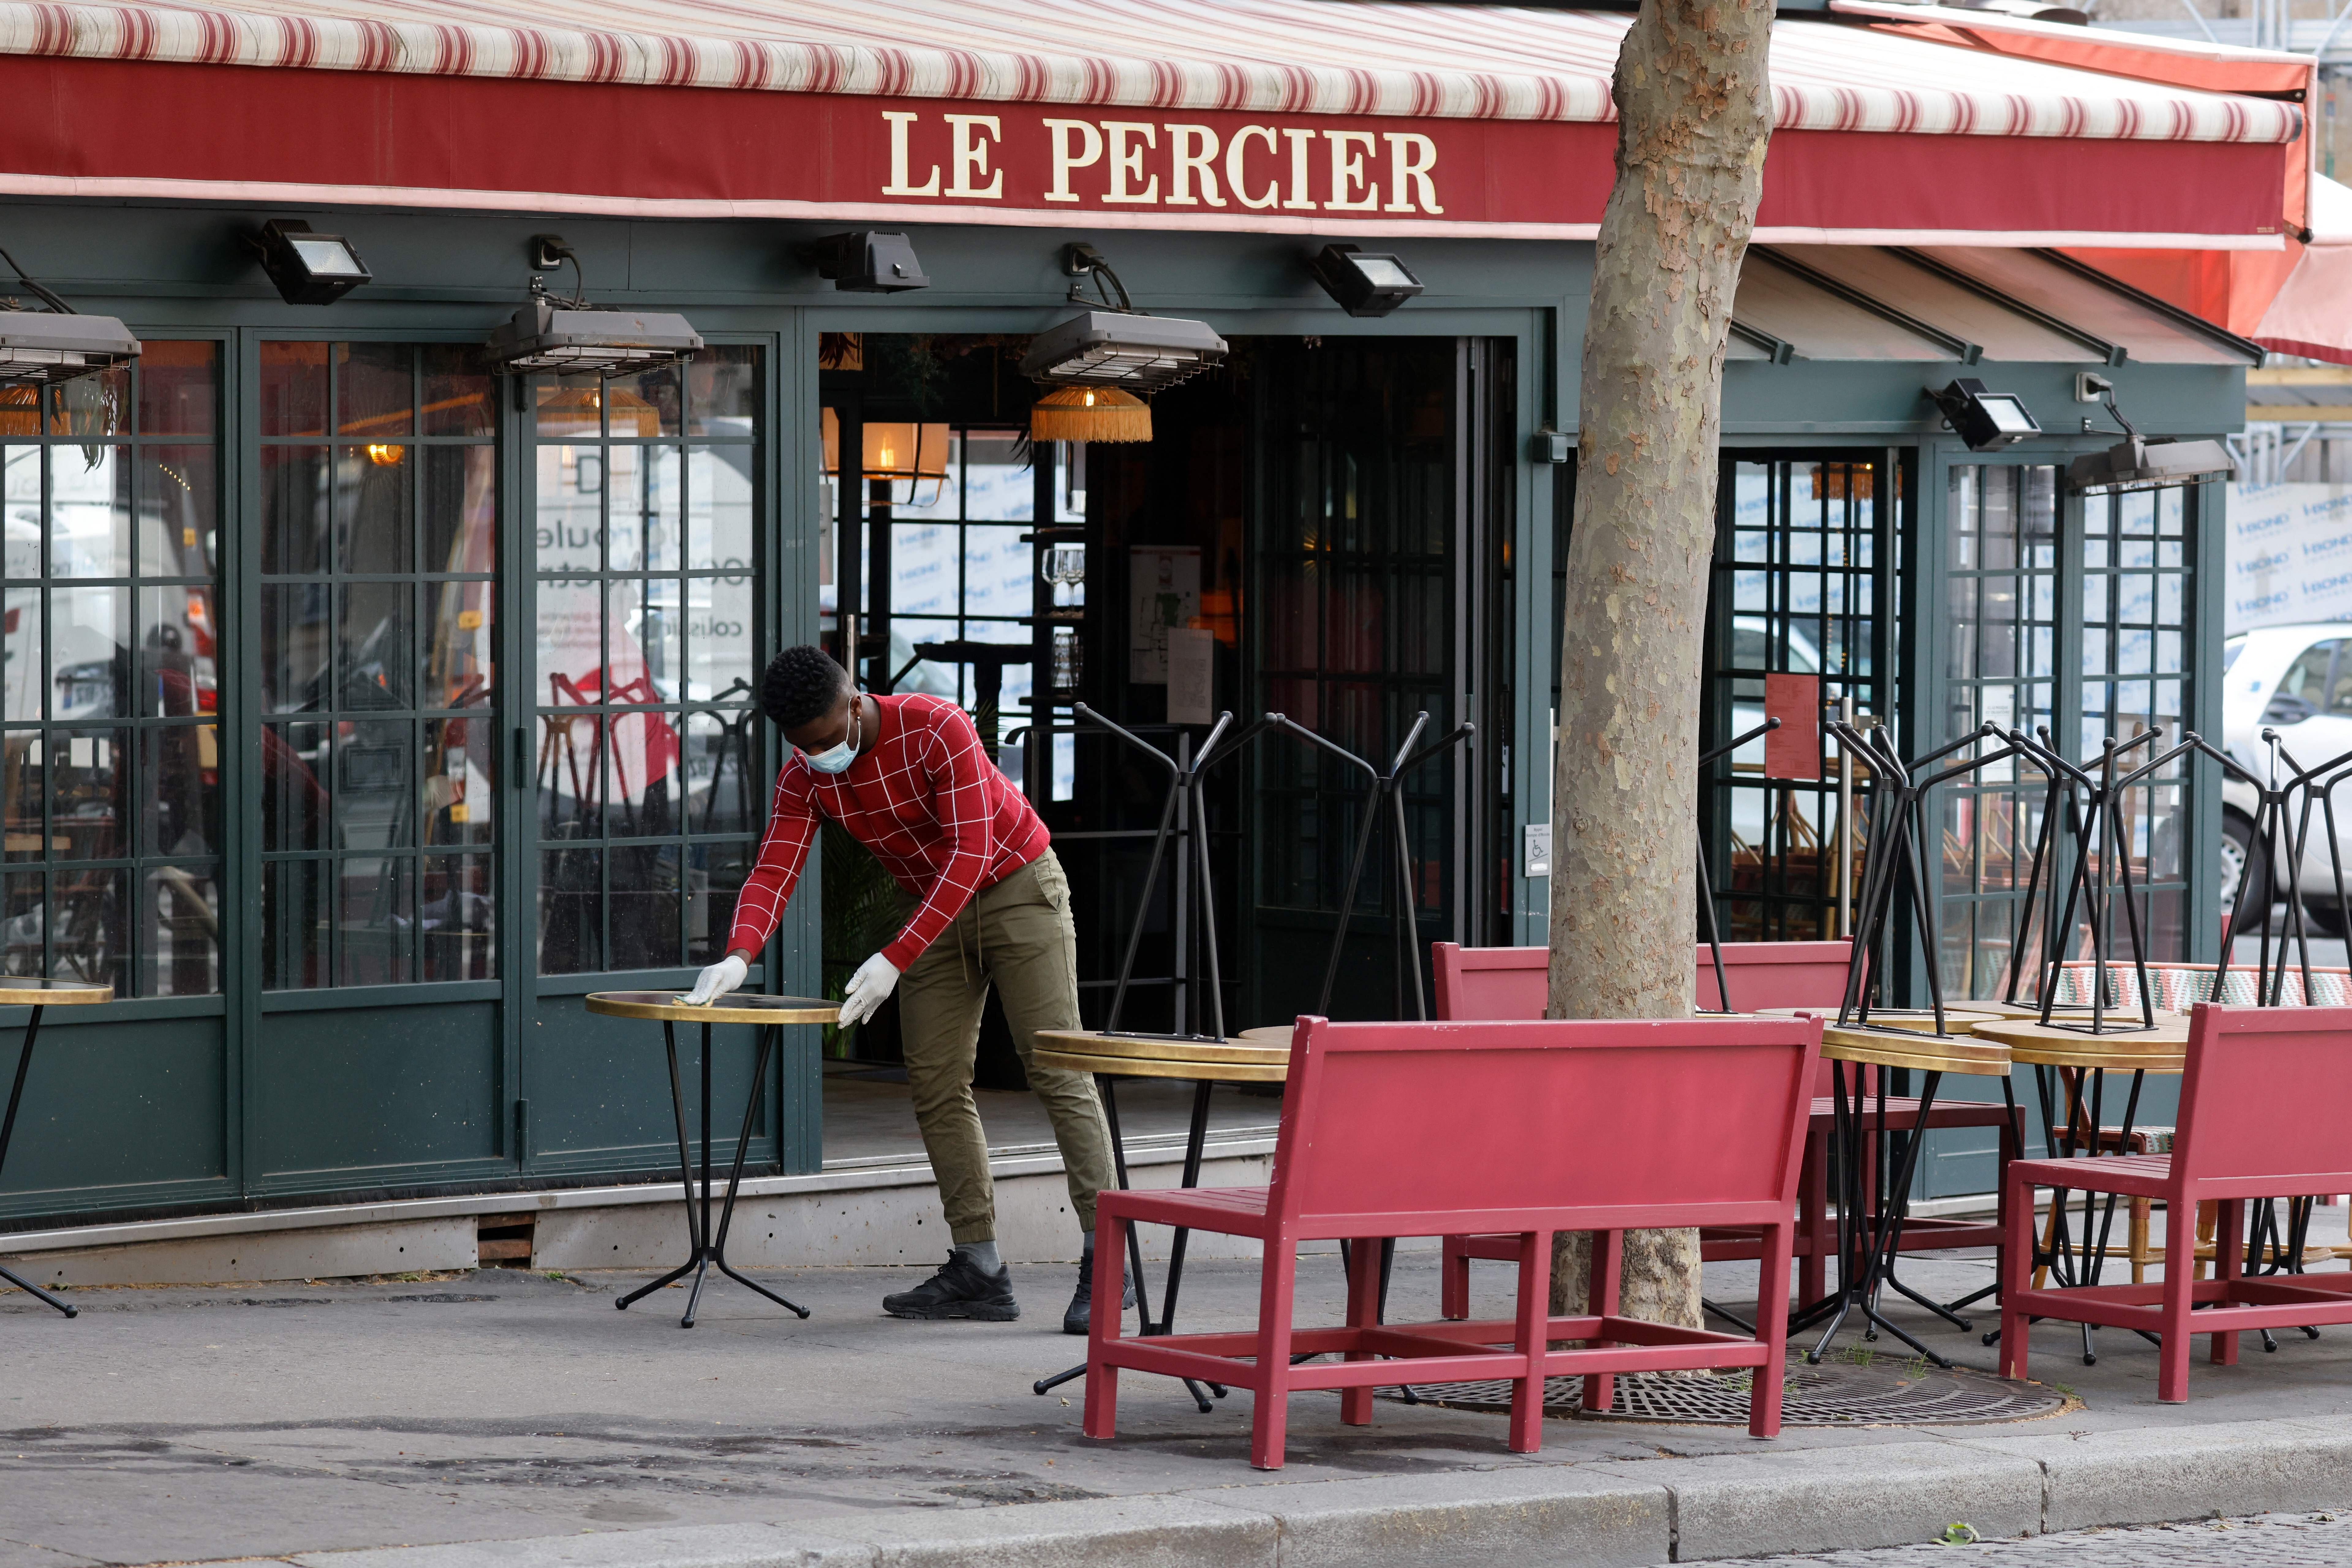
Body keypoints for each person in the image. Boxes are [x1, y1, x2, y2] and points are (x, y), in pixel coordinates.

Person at [684, 645, 1130, 1333]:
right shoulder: (805, 774)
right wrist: (739, 956)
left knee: (1057, 1066)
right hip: (930, 907)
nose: (824, 753)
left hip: (1016, 887)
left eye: (832, 737)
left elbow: (972, 849)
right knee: (936, 1082)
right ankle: (979, 1269)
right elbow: (775, 867)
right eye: (807, 747)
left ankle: (1110, 1260)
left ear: (856, 700)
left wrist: (895, 957)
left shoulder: (936, 726)